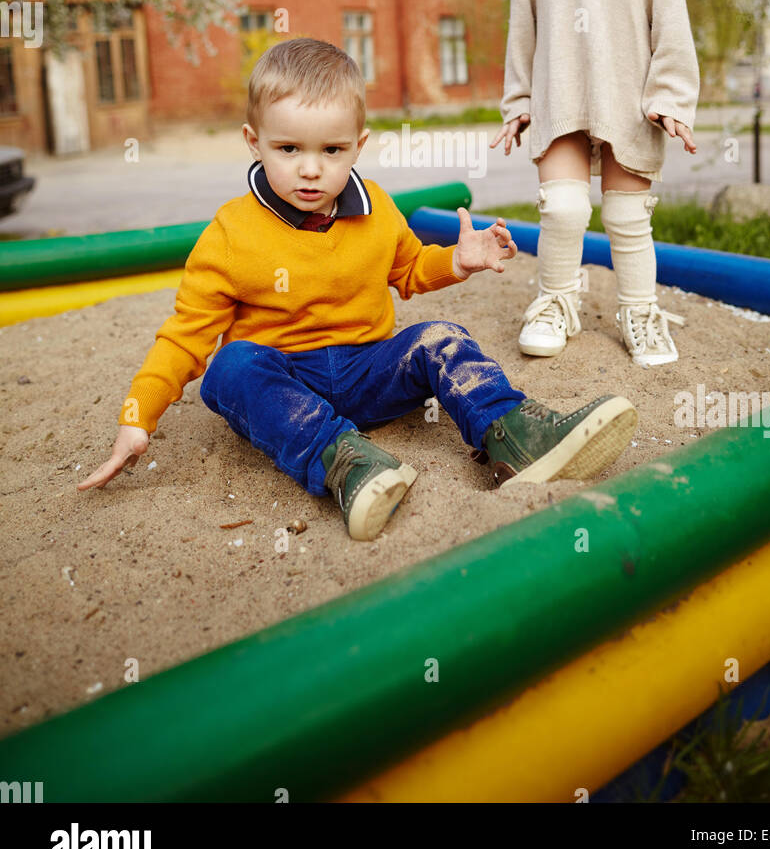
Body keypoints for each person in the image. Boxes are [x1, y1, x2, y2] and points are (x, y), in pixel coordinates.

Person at [79, 38, 637, 540]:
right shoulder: (231, 233)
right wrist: (137, 416)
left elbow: (411, 269)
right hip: (286, 385)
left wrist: (457, 262)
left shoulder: (375, 209)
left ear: (358, 146)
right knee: (230, 370)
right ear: (255, 142)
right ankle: (349, 462)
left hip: (369, 370)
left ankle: (513, 435)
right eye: (289, 149)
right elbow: (183, 337)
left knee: (441, 338)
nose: (311, 171)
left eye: (332, 151)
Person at [489, 0, 700, 366]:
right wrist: (519, 102)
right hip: (560, 101)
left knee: (628, 214)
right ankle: (557, 300)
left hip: (630, 105)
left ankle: (639, 309)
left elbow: (673, 36)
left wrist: (669, 100)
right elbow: (521, 37)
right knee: (563, 207)